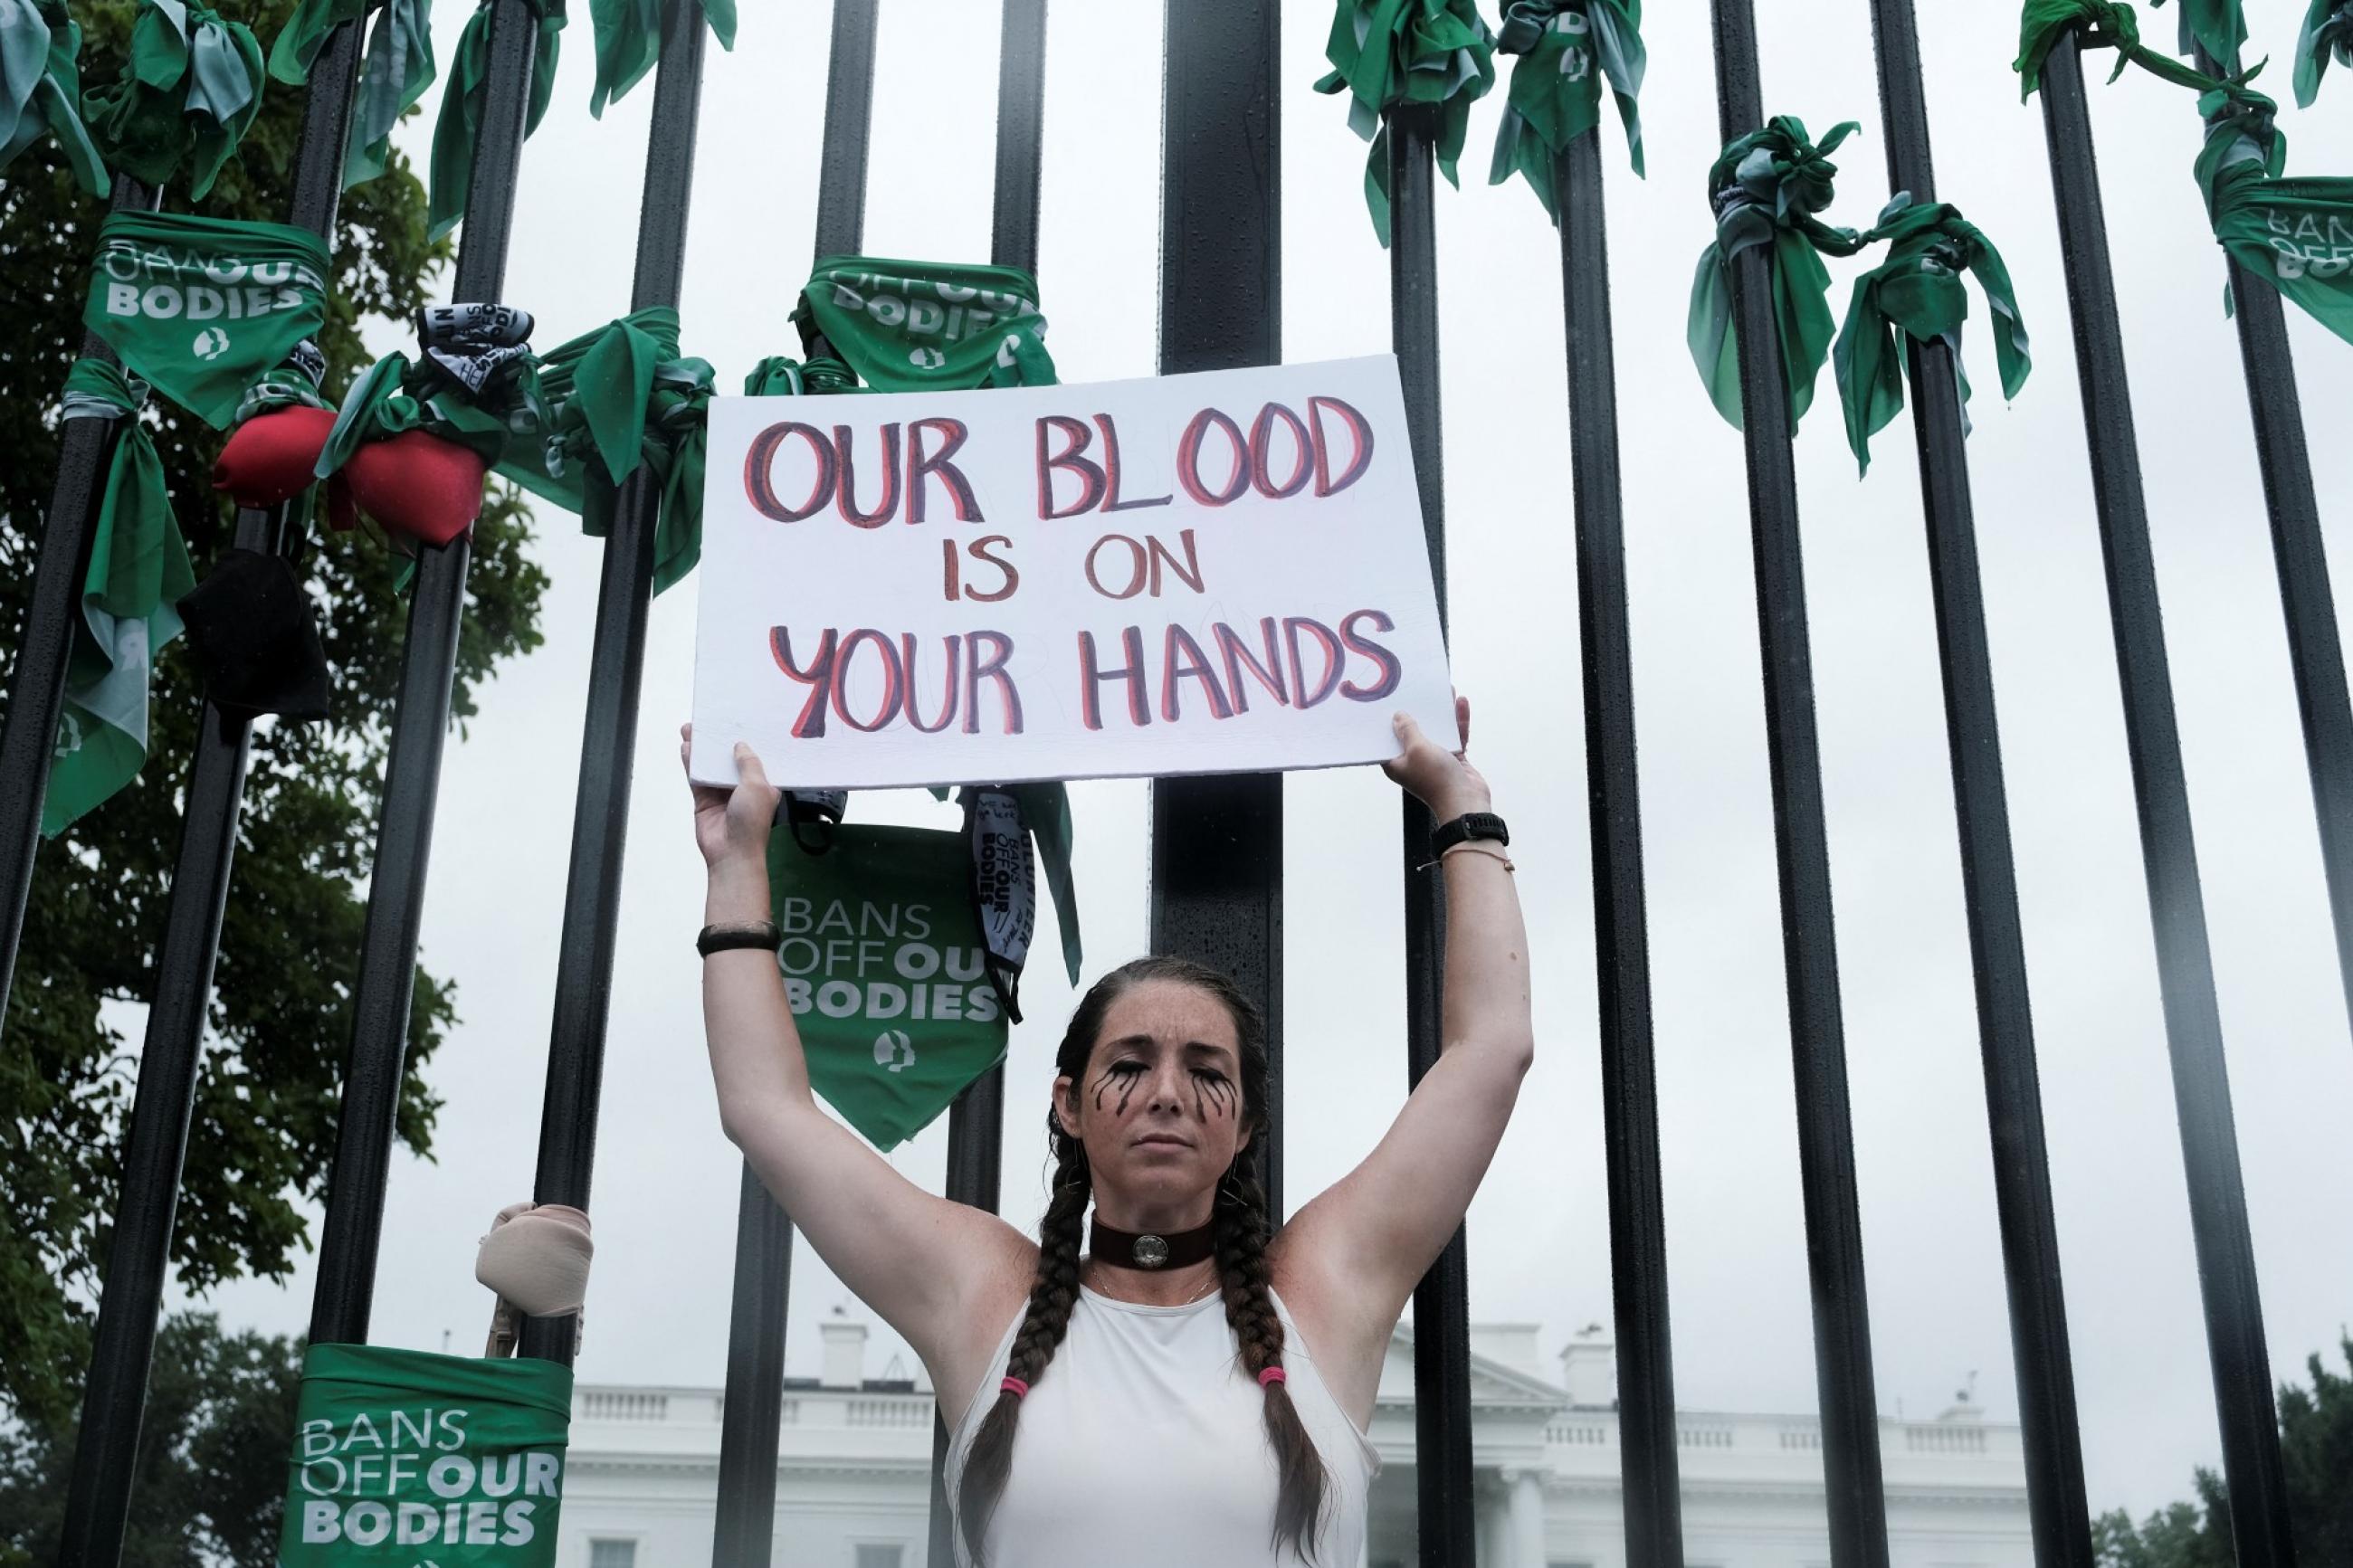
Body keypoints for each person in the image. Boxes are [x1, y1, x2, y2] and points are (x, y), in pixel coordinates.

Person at [686, 698, 1532, 1566]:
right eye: (1130, 1062)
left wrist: (1464, 807)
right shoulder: (983, 1296)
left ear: (1244, 1126)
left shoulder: (1321, 1296)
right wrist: (736, 860)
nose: (1167, 1093)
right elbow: (766, 1107)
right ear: (1069, 1103)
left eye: (1207, 1070)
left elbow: (1491, 1052)